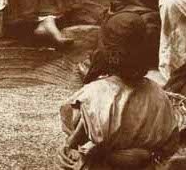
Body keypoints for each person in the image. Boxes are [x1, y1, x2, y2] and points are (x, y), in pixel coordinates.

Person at [59, 12, 179, 170]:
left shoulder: (92, 93)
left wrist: (68, 146)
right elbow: (169, 146)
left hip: (102, 164)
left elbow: (75, 130)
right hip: (144, 164)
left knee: (75, 112)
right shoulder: (159, 95)